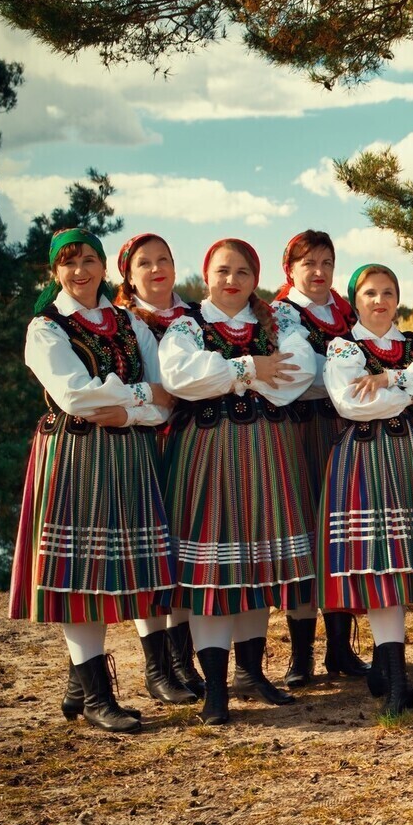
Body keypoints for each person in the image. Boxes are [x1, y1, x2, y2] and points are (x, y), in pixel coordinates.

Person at [10, 229, 176, 731]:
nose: (79, 270)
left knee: (119, 571)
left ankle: (79, 685)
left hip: (128, 453)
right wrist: (142, 395)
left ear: (104, 266)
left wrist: (130, 410)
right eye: (67, 262)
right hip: (76, 455)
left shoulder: (129, 322)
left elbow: (168, 395)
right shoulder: (46, 328)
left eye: (88, 259)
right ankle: (96, 696)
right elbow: (76, 397)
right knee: (81, 577)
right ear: (54, 272)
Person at [159, 239, 317, 725]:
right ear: (207, 274)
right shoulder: (188, 324)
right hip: (209, 451)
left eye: (244, 271)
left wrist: (225, 376)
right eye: (223, 270)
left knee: (259, 567)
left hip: (269, 449)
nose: (233, 280)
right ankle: (215, 689)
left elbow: (299, 374)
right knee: (214, 570)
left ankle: (251, 673)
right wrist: (250, 369)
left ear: (257, 277)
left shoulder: (277, 322)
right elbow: (180, 377)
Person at [318, 264, 413, 717]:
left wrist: (388, 379)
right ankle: (397, 680)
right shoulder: (343, 347)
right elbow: (352, 404)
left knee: (410, 563)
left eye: (388, 292)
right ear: (355, 300)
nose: (379, 301)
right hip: (368, 461)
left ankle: (388, 671)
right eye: (369, 293)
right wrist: (411, 385)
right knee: (383, 568)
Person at [269, 231, 373, 688]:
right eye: (308, 262)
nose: (318, 271)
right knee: (304, 533)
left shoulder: (347, 312)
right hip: (300, 429)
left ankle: (340, 648)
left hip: (346, 428)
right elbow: (301, 373)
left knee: (340, 534)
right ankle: (300, 655)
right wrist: (341, 378)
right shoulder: (279, 314)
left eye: (327, 262)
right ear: (289, 268)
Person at [110, 232, 201, 704]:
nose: (157, 268)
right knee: (147, 553)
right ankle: (156, 667)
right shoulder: (121, 324)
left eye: (164, 258)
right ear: (127, 273)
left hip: (192, 445)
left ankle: (184, 660)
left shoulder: (196, 317)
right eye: (144, 262)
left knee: (181, 549)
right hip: (144, 442)